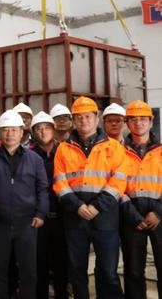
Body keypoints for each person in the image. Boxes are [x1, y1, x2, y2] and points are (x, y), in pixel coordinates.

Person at [53, 96, 127, 299]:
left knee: (108, 271)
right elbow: (59, 183)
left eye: (87, 116)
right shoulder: (63, 148)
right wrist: (77, 206)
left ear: (96, 117)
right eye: (79, 117)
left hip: (105, 218)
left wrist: (97, 206)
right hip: (75, 218)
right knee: (77, 271)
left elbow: (119, 181)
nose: (83, 120)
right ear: (74, 120)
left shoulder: (114, 147)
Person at [0, 110, 48, 299]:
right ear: (0, 132)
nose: (9, 134)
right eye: (5, 130)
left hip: (27, 223)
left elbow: (43, 189)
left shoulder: (35, 159)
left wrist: (41, 213)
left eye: (14, 130)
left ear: (22, 132)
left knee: (28, 270)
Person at [120, 100, 161, 299]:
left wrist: (158, 212)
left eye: (143, 119)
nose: (138, 123)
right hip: (131, 216)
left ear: (151, 122)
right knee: (134, 270)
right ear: (127, 123)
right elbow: (115, 187)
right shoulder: (118, 152)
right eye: (133, 119)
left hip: (159, 215)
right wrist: (133, 215)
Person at [29, 112, 69, 299]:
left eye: (47, 127)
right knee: (39, 263)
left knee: (62, 263)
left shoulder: (65, 151)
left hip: (63, 215)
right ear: (33, 132)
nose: (43, 131)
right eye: (39, 128)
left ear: (54, 130)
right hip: (39, 217)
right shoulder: (28, 155)